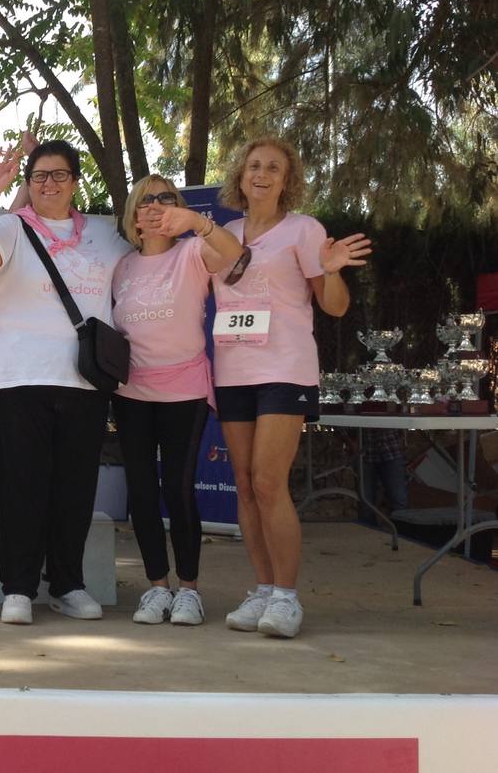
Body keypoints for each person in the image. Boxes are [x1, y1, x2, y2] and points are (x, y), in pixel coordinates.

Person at [0, 139, 131, 625]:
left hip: (85, 379)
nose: (49, 183)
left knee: (74, 489)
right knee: (21, 486)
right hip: (19, 376)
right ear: (29, 183)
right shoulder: (10, 227)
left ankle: (67, 584)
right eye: (39, 176)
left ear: (75, 181)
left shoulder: (105, 233)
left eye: (59, 175)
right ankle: (17, 586)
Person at [214, 137, 371, 638]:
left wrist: (331, 272)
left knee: (267, 481)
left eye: (273, 168)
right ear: (240, 176)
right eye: (254, 166)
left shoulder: (305, 230)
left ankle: (286, 597)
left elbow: (335, 307)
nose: (261, 174)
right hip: (232, 370)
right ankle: (262, 589)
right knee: (244, 484)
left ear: (287, 180)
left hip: (284, 368)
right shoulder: (225, 234)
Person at [111, 175, 242, 627]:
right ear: (134, 216)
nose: (156, 205)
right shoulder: (122, 267)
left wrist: (197, 224)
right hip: (130, 392)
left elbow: (234, 254)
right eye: (146, 200)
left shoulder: (193, 253)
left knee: (178, 490)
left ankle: (189, 590)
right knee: (141, 491)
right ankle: (157, 587)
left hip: (184, 389)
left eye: (166, 198)